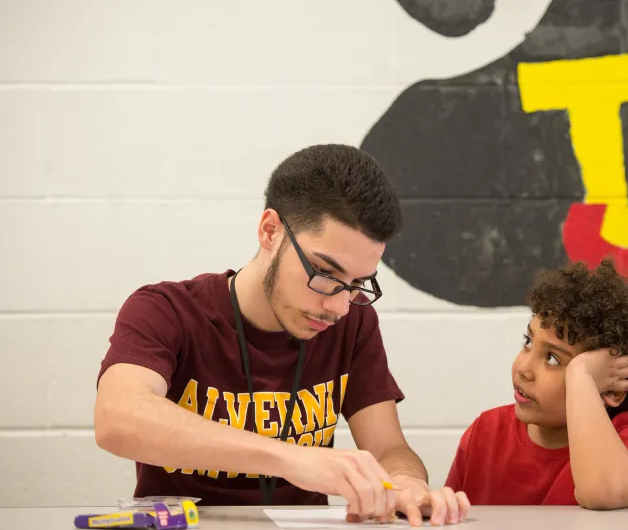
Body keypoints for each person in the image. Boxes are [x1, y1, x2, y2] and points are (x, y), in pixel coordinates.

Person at [94, 144, 470, 526]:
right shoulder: (166, 310)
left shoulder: (353, 323)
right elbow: (118, 418)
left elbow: (389, 447)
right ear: (270, 231)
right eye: (325, 274)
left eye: (357, 283)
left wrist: (403, 482)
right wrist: (292, 459)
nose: (339, 307)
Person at [443, 258, 628, 509]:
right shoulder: (486, 431)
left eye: (552, 358)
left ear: (613, 388)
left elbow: (601, 492)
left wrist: (580, 375)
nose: (524, 368)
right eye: (528, 342)